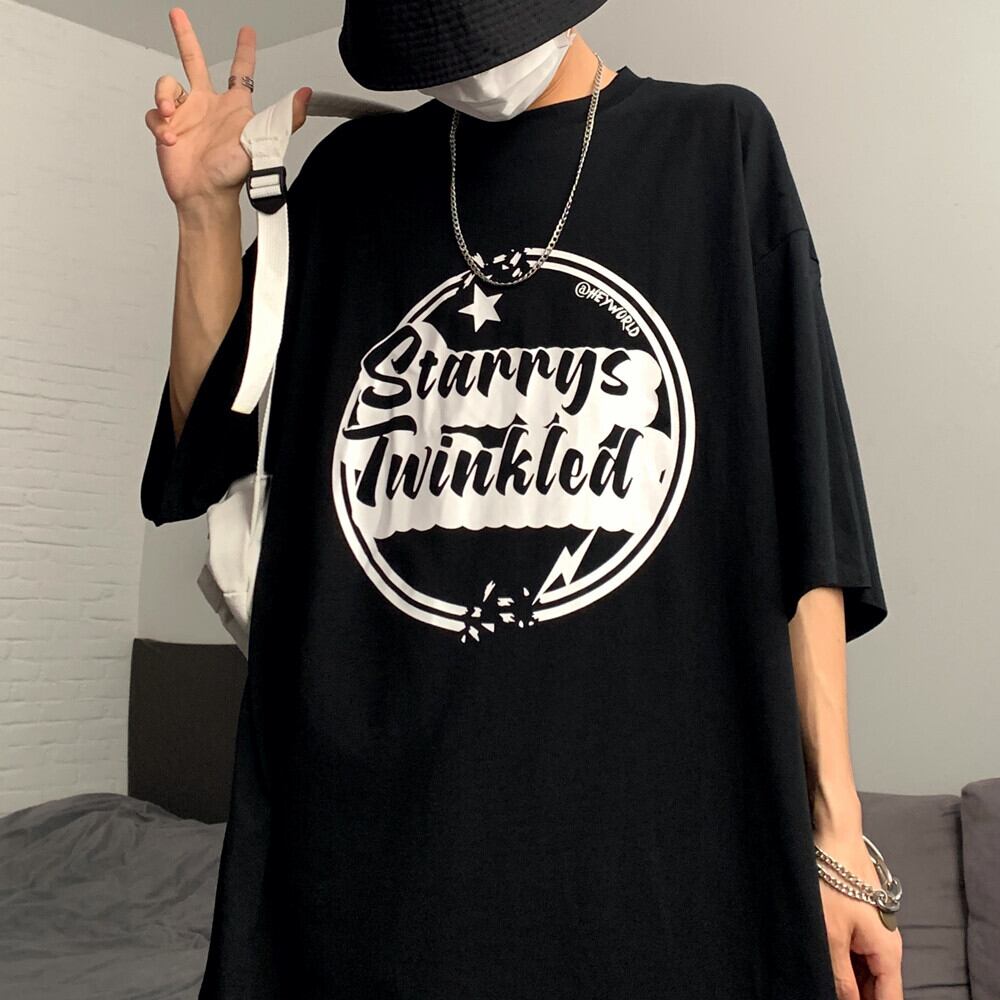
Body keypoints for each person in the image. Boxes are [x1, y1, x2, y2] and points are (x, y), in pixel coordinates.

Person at [142, 3, 903, 997]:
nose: (465, 62)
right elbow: (208, 447)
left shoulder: (716, 146)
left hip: (655, 866)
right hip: (361, 865)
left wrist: (835, 833)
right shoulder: (349, 181)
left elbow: (807, 516)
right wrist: (206, 212)